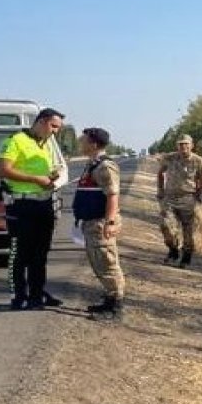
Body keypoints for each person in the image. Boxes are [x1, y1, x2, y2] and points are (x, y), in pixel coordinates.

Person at [0, 108, 67, 310]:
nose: (55, 132)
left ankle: (37, 296)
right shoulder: (15, 140)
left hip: (44, 203)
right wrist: (34, 179)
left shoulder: (45, 144)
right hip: (22, 205)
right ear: (42, 121)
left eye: (58, 128)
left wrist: (52, 177)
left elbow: (42, 170)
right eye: (53, 126)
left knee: (40, 254)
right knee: (20, 254)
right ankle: (18, 297)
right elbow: (2, 170)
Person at [72, 127, 125, 321]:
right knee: (99, 263)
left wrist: (110, 222)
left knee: (108, 264)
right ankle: (109, 301)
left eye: (83, 140)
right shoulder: (92, 164)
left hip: (101, 223)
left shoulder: (105, 166)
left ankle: (116, 308)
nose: (81, 143)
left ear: (93, 144)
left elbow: (112, 195)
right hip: (91, 223)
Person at [157, 134, 202, 268]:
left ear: (192, 145)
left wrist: (200, 194)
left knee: (187, 231)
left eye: (186, 144)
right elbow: (160, 173)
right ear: (177, 146)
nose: (183, 147)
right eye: (180, 144)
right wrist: (160, 190)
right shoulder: (170, 158)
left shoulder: (199, 161)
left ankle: (186, 257)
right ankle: (173, 250)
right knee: (165, 226)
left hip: (187, 199)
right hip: (170, 198)